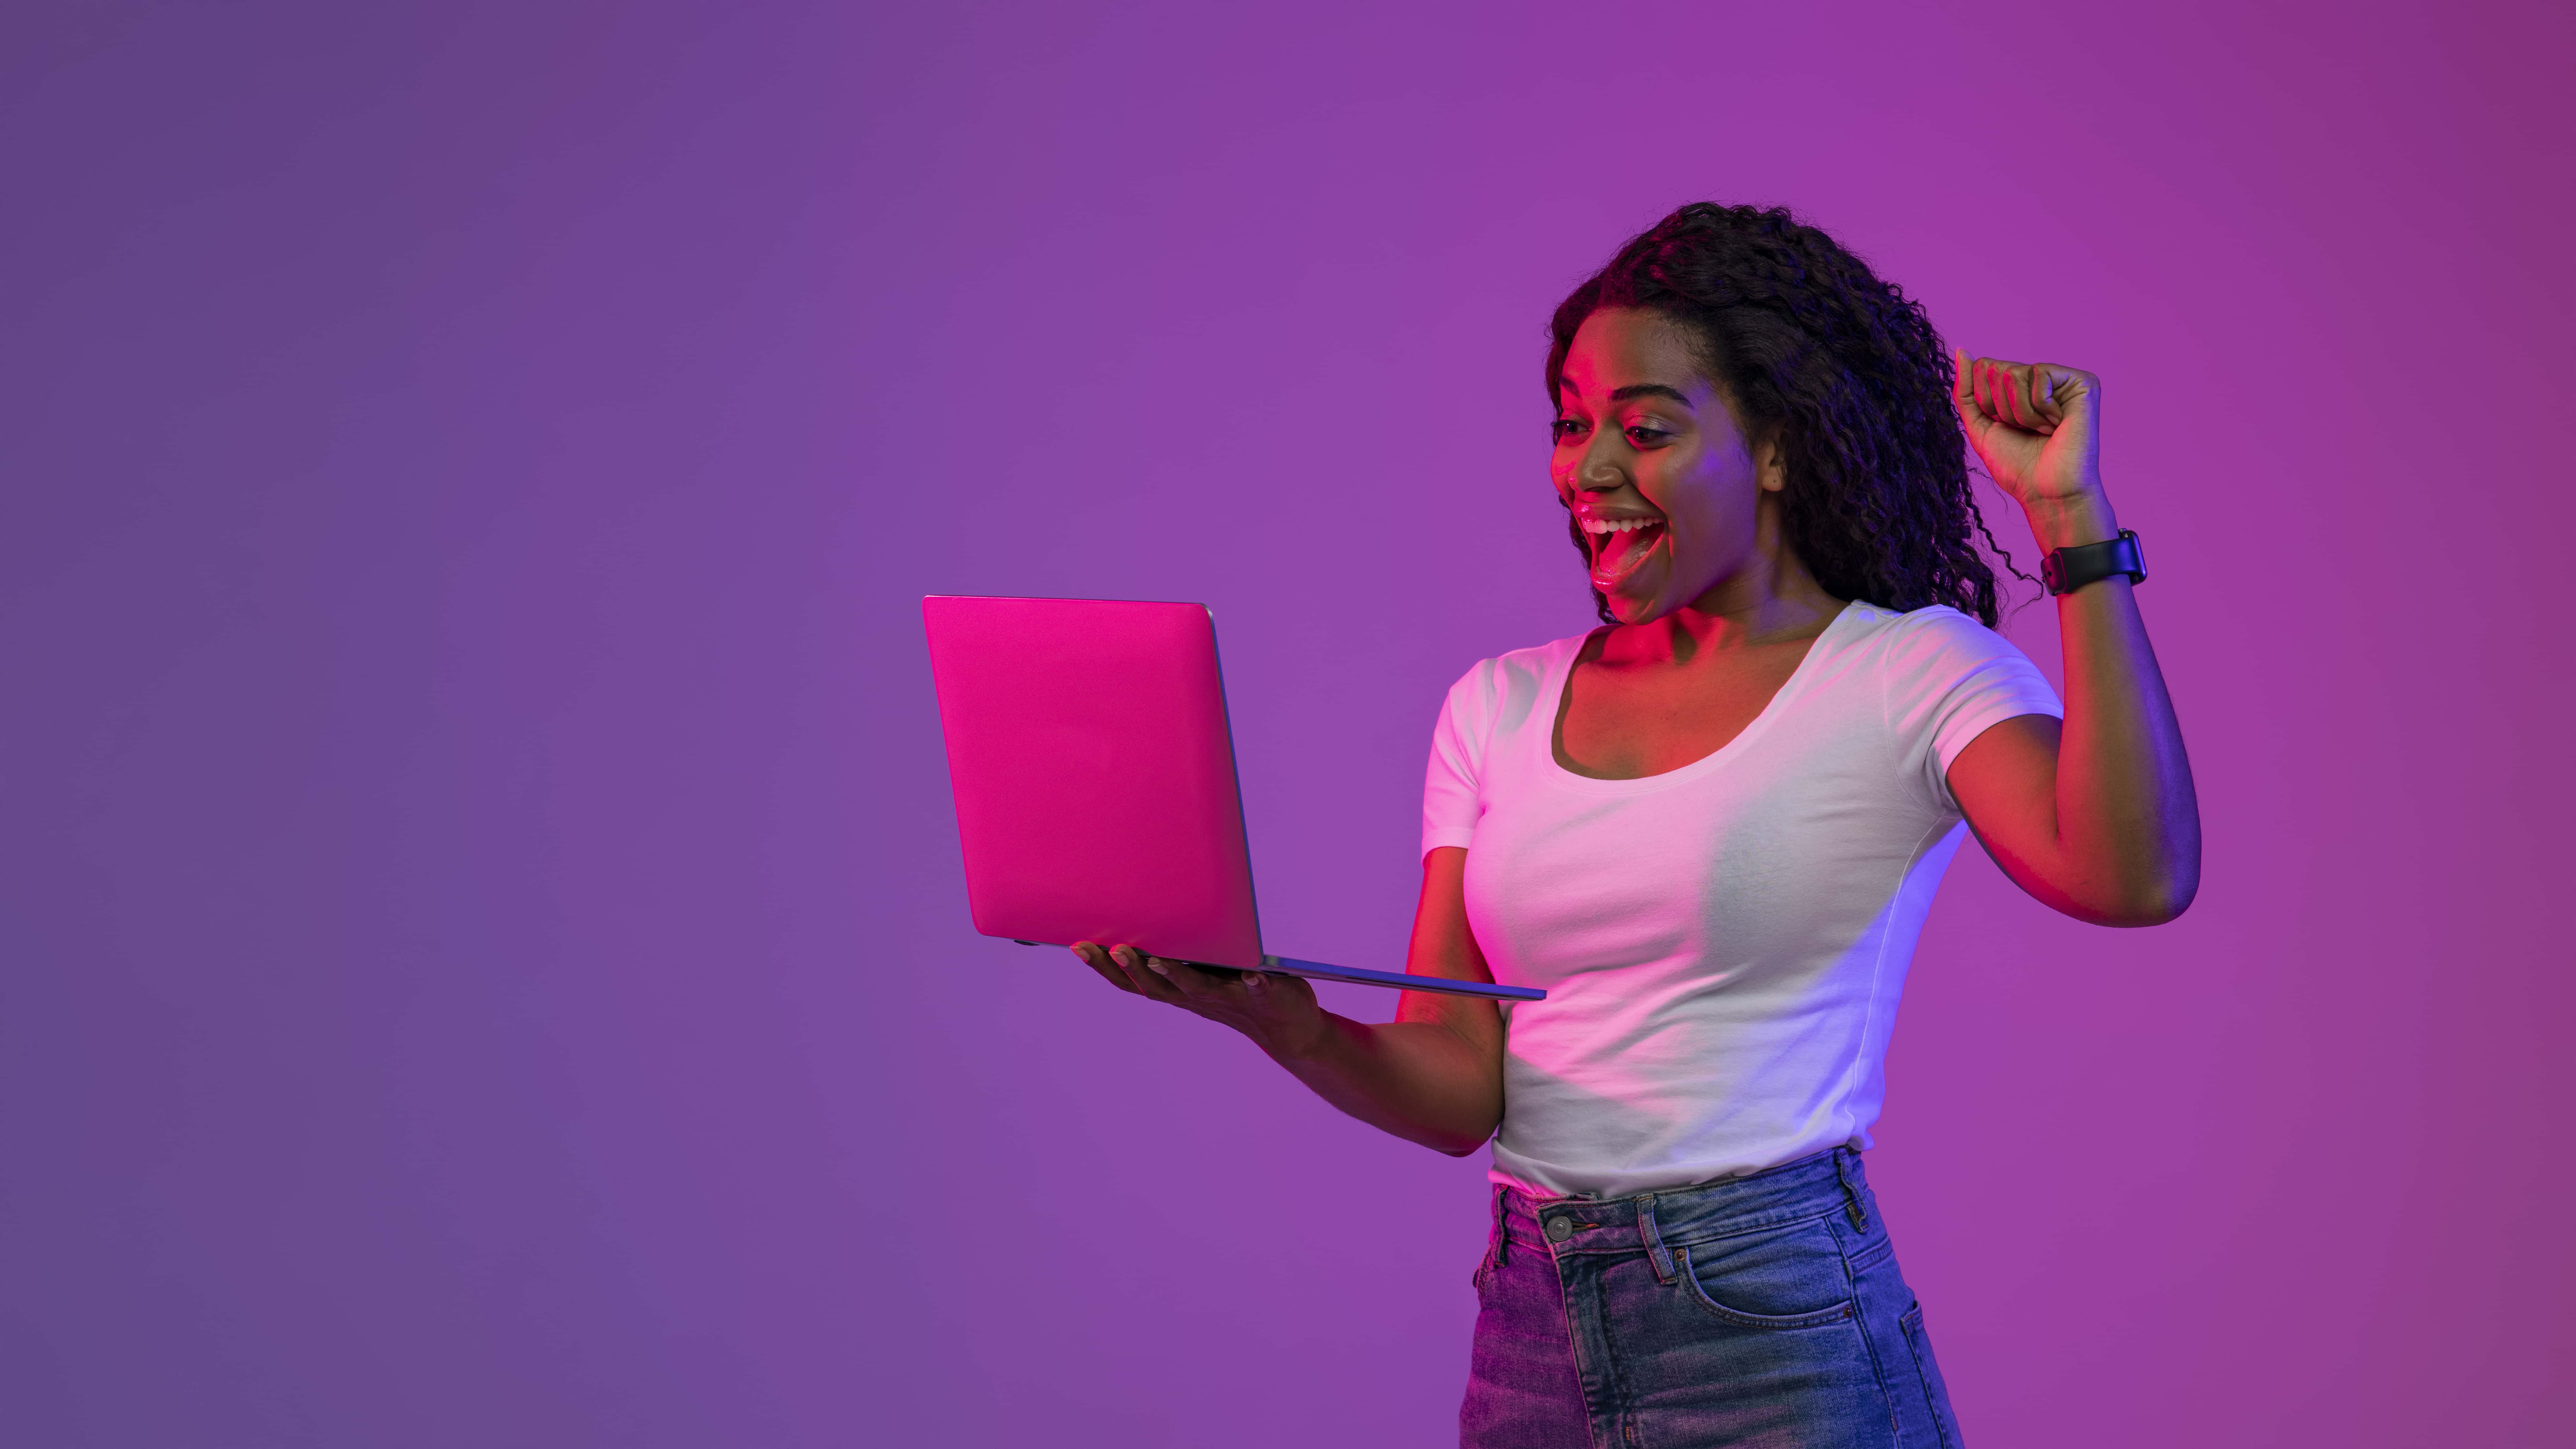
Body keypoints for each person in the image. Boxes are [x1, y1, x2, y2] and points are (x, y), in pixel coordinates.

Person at [1072, 202, 2198, 1448]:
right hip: (1531, 1325)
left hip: (1774, 1321)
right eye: (1570, 423)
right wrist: (1275, 1019)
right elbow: (1458, 1088)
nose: (1589, 470)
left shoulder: (1907, 672)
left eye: (1646, 428)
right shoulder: (1497, 705)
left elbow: (2130, 874)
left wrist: (2073, 526)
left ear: (1775, 450)